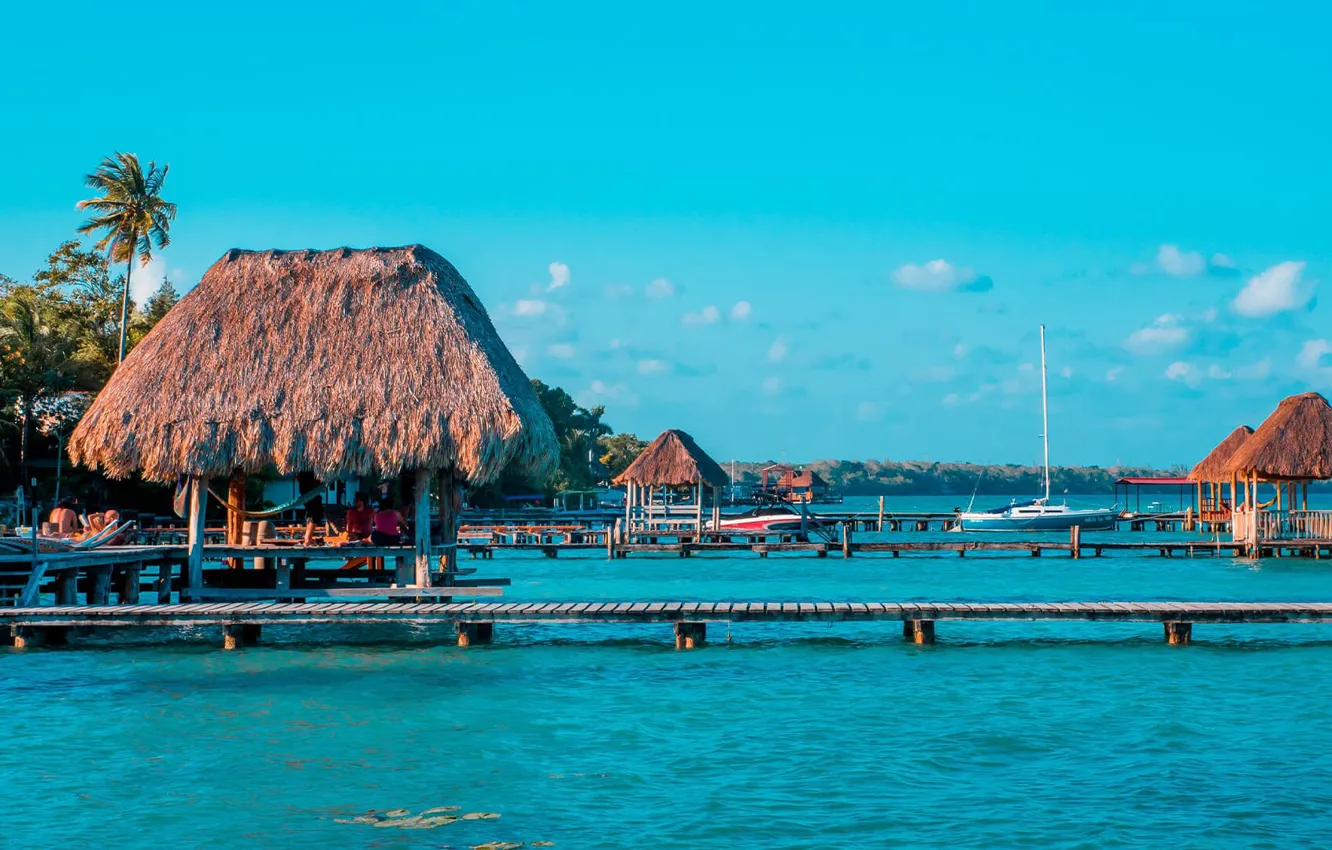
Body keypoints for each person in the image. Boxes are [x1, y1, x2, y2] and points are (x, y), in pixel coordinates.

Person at [300, 472, 325, 546]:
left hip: (307, 495)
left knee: (311, 515)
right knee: (315, 516)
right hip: (311, 495)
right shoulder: (311, 474)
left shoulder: (305, 473)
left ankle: (308, 538)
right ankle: (307, 539)